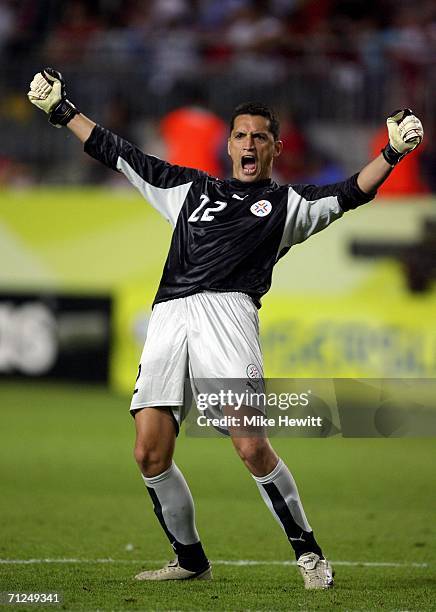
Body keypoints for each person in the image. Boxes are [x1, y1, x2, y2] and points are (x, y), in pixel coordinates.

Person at [27, 68, 423, 590]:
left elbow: (351, 192)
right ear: (228, 144)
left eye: (260, 135)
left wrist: (392, 153)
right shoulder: (187, 188)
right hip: (169, 315)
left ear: (276, 147)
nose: (249, 143)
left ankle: (309, 555)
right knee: (148, 451)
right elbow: (118, 152)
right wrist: (63, 111)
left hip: (229, 317)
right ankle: (189, 559)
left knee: (250, 446)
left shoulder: (287, 206)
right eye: (240, 135)